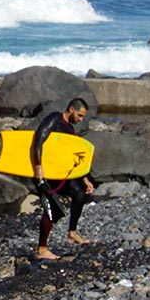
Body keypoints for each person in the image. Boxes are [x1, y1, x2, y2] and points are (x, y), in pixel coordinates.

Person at [31, 97, 93, 260]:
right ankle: (42, 249)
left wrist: (84, 179)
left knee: (80, 193)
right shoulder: (54, 119)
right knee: (52, 209)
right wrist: (38, 166)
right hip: (44, 172)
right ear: (71, 109)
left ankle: (72, 233)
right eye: (80, 115)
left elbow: (71, 158)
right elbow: (38, 140)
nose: (81, 119)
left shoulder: (70, 130)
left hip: (59, 173)